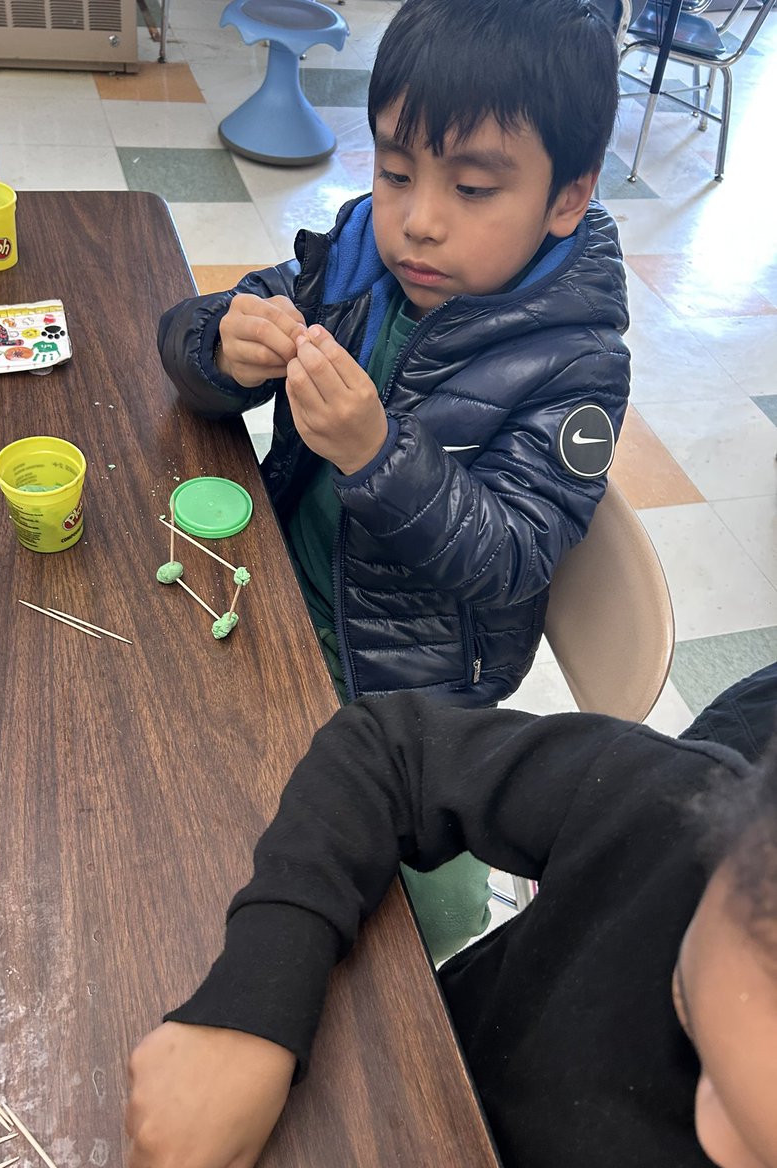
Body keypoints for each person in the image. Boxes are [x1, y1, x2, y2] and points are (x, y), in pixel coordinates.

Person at [157, 0, 629, 957]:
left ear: (566, 199)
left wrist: (379, 457)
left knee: (369, 930)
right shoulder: (358, 253)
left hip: (405, 700)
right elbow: (194, 332)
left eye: (472, 189)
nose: (418, 221)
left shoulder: (577, 364)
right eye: (396, 170)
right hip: (275, 599)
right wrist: (222, 345)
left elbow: (513, 554)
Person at [120, 664, 777, 1168]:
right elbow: (385, 752)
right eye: (687, 1010)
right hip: (405, 1077)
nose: (713, 1135)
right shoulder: (680, 815)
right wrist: (252, 1005)